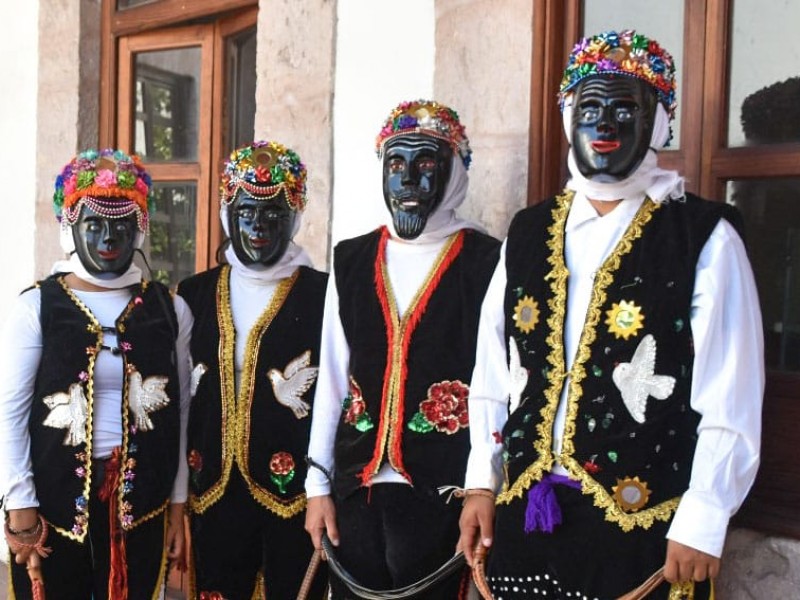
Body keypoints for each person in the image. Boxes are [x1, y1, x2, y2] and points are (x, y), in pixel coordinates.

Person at [458, 30, 764, 600]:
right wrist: (482, 482)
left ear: (659, 124)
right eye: (590, 108)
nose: (605, 127)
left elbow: (731, 392)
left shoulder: (704, 237)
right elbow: (493, 373)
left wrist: (705, 515)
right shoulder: (527, 232)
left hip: (646, 529)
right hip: (528, 515)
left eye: (626, 109)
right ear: (569, 117)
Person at [304, 99, 500, 599]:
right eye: (396, 164)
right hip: (355, 491)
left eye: (426, 163)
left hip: (442, 491)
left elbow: (495, 382)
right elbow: (330, 378)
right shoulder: (351, 260)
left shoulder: (486, 261)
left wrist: (484, 485)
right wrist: (317, 486)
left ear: (454, 171)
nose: (409, 178)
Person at [0, 148, 191, 599]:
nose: (109, 238)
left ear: (139, 229)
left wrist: (178, 505)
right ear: (71, 228)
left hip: (142, 507)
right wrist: (20, 503)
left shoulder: (170, 308)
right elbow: (10, 413)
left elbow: (180, 414)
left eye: (122, 225)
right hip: (53, 508)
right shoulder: (36, 307)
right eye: (95, 224)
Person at [177, 140, 328, 599]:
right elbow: (181, 401)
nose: (259, 227)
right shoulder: (194, 293)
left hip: (296, 494)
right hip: (212, 489)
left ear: (295, 219)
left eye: (273, 216)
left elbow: (339, 394)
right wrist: (177, 497)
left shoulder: (324, 295)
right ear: (228, 215)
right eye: (246, 213)